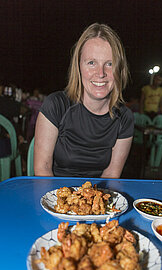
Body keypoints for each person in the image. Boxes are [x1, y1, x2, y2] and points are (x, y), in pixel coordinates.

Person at [34, 23, 134, 178]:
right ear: (78, 66)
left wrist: (94, 201)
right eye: (91, 63)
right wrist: (64, 201)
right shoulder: (56, 105)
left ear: (119, 70)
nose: (100, 73)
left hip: (98, 196)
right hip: (56, 193)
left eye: (110, 64)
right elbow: (43, 169)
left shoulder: (125, 118)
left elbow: (112, 174)